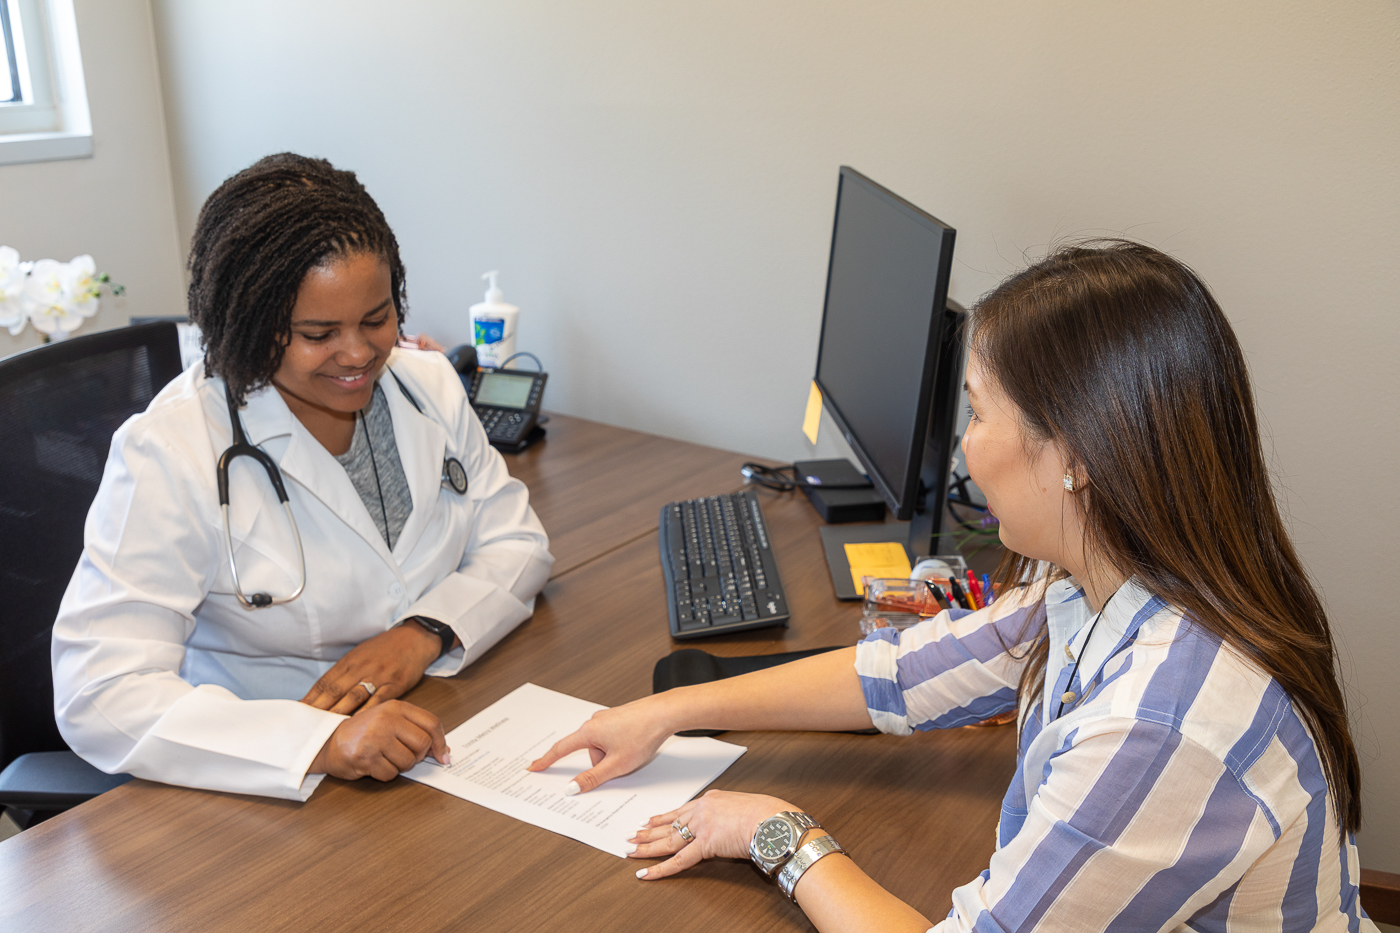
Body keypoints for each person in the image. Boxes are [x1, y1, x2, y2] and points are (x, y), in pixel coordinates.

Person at [528, 242, 1376, 931]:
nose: (964, 447)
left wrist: (774, 831)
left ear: (1075, 456)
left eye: (976, 411)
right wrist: (667, 712)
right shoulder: (1109, 583)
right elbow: (901, 673)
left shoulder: (1164, 726)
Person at [52, 153, 553, 801]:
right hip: (265, 779)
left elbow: (518, 544)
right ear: (252, 326)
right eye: (318, 333)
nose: (359, 353)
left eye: (376, 318)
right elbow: (100, 691)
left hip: (435, 730)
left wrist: (424, 631)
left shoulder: (425, 386)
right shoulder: (171, 450)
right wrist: (315, 742)